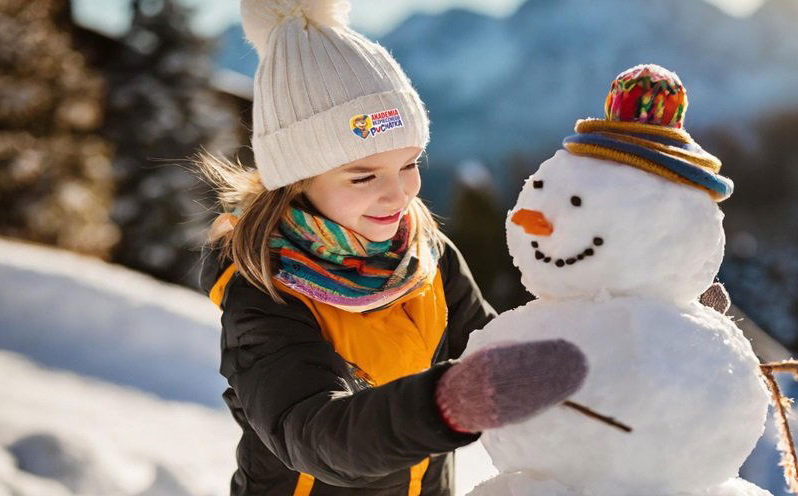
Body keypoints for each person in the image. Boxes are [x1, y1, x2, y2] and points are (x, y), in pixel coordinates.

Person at [193, 1, 588, 495]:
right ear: (295, 181)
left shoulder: (426, 255)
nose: (399, 194)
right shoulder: (265, 292)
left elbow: (496, 347)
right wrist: (447, 404)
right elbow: (314, 433)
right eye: (364, 176)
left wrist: (621, 325)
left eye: (409, 164)